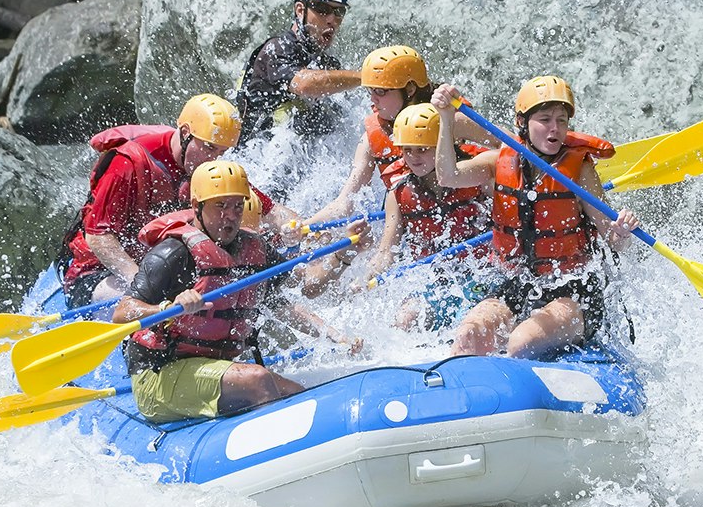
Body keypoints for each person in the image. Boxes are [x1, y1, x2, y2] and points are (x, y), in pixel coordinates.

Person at [113, 160, 364, 422]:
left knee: (294, 392)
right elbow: (121, 313)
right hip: (160, 375)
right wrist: (167, 309)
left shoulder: (254, 249)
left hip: (216, 367)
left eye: (237, 206)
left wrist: (344, 255)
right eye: (220, 206)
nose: (230, 216)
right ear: (197, 207)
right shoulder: (173, 254)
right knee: (258, 379)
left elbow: (306, 288)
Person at [431, 77, 639, 358]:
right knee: (469, 335)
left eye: (562, 120)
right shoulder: (498, 161)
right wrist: (446, 118)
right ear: (522, 122)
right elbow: (448, 176)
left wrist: (621, 231)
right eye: (545, 119)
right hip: (517, 285)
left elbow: (613, 241)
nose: (555, 128)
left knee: (521, 343)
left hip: (572, 292)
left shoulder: (580, 171)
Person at [58, 95, 295, 307]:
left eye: (221, 153)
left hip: (165, 268)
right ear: (185, 133)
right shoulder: (127, 163)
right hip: (99, 275)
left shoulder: (206, 171)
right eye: (209, 148)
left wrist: (296, 228)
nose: (212, 159)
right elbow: (99, 239)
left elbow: (271, 211)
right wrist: (145, 284)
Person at [307, 45, 494, 226]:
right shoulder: (371, 139)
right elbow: (344, 203)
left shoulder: (449, 119)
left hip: (468, 215)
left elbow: (507, 149)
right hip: (413, 221)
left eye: (380, 91)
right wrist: (305, 226)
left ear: (410, 89)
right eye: (370, 91)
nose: (373, 99)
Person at [364, 103, 494, 330]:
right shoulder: (398, 193)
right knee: (404, 320)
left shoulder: (475, 177)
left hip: (480, 275)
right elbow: (386, 252)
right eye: (408, 150)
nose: (414, 157)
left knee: (467, 323)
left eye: (423, 149)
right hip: (434, 282)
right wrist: (368, 277)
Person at [233, 0, 363, 155]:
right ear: (300, 10)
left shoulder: (327, 64)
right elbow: (304, 84)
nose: (332, 19)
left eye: (339, 11)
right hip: (253, 159)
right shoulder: (276, 50)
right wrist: (366, 76)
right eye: (322, 9)